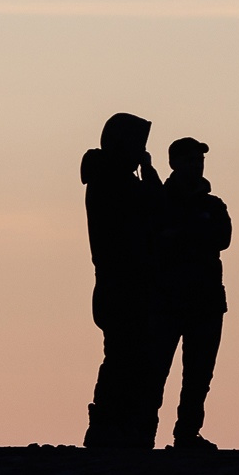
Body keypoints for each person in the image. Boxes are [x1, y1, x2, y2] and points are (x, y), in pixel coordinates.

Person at [81, 112, 164, 449]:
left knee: (125, 357)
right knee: (125, 358)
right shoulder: (114, 183)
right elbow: (157, 208)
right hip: (122, 284)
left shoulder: (107, 179)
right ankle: (110, 425)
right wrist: (150, 173)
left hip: (120, 284)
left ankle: (115, 424)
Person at [147, 137, 231, 450]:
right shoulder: (158, 200)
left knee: (198, 377)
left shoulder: (213, 204)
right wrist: (194, 231)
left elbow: (223, 237)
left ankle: (186, 434)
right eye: (190, 160)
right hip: (167, 300)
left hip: (206, 301)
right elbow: (155, 239)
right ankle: (145, 432)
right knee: (156, 372)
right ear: (175, 163)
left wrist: (180, 233)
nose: (197, 165)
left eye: (199, 160)